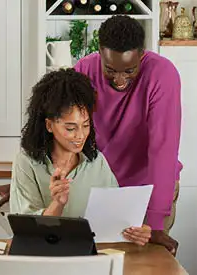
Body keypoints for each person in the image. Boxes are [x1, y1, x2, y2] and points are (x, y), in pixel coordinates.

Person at [0, 15, 182, 254]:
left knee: (144, 262)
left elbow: (162, 149)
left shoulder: (163, 75)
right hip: (97, 186)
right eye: (111, 69)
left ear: (142, 55)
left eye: (130, 70)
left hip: (147, 190)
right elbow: (60, 126)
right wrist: (26, 182)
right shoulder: (84, 70)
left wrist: (154, 222)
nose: (120, 79)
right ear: (100, 53)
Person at [9, 68, 152, 246]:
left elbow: (115, 219)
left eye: (85, 125)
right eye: (70, 128)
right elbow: (28, 234)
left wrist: (135, 231)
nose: (80, 135)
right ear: (49, 125)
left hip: (89, 260)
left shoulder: (96, 162)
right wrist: (57, 204)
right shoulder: (26, 163)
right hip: (43, 261)